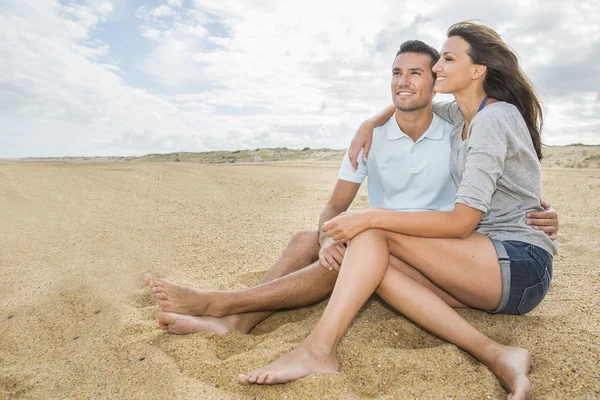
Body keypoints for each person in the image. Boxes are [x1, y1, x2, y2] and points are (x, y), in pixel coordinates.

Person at [145, 32, 556, 399]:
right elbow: (414, 114)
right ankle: (497, 353)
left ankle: (268, 326)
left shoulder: (485, 118)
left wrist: (369, 218)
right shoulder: (458, 116)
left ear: (476, 70)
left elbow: (470, 214)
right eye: (400, 72)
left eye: (443, 62)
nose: (429, 71)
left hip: (502, 257)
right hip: (478, 257)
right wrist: (369, 121)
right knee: (326, 243)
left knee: (371, 236)